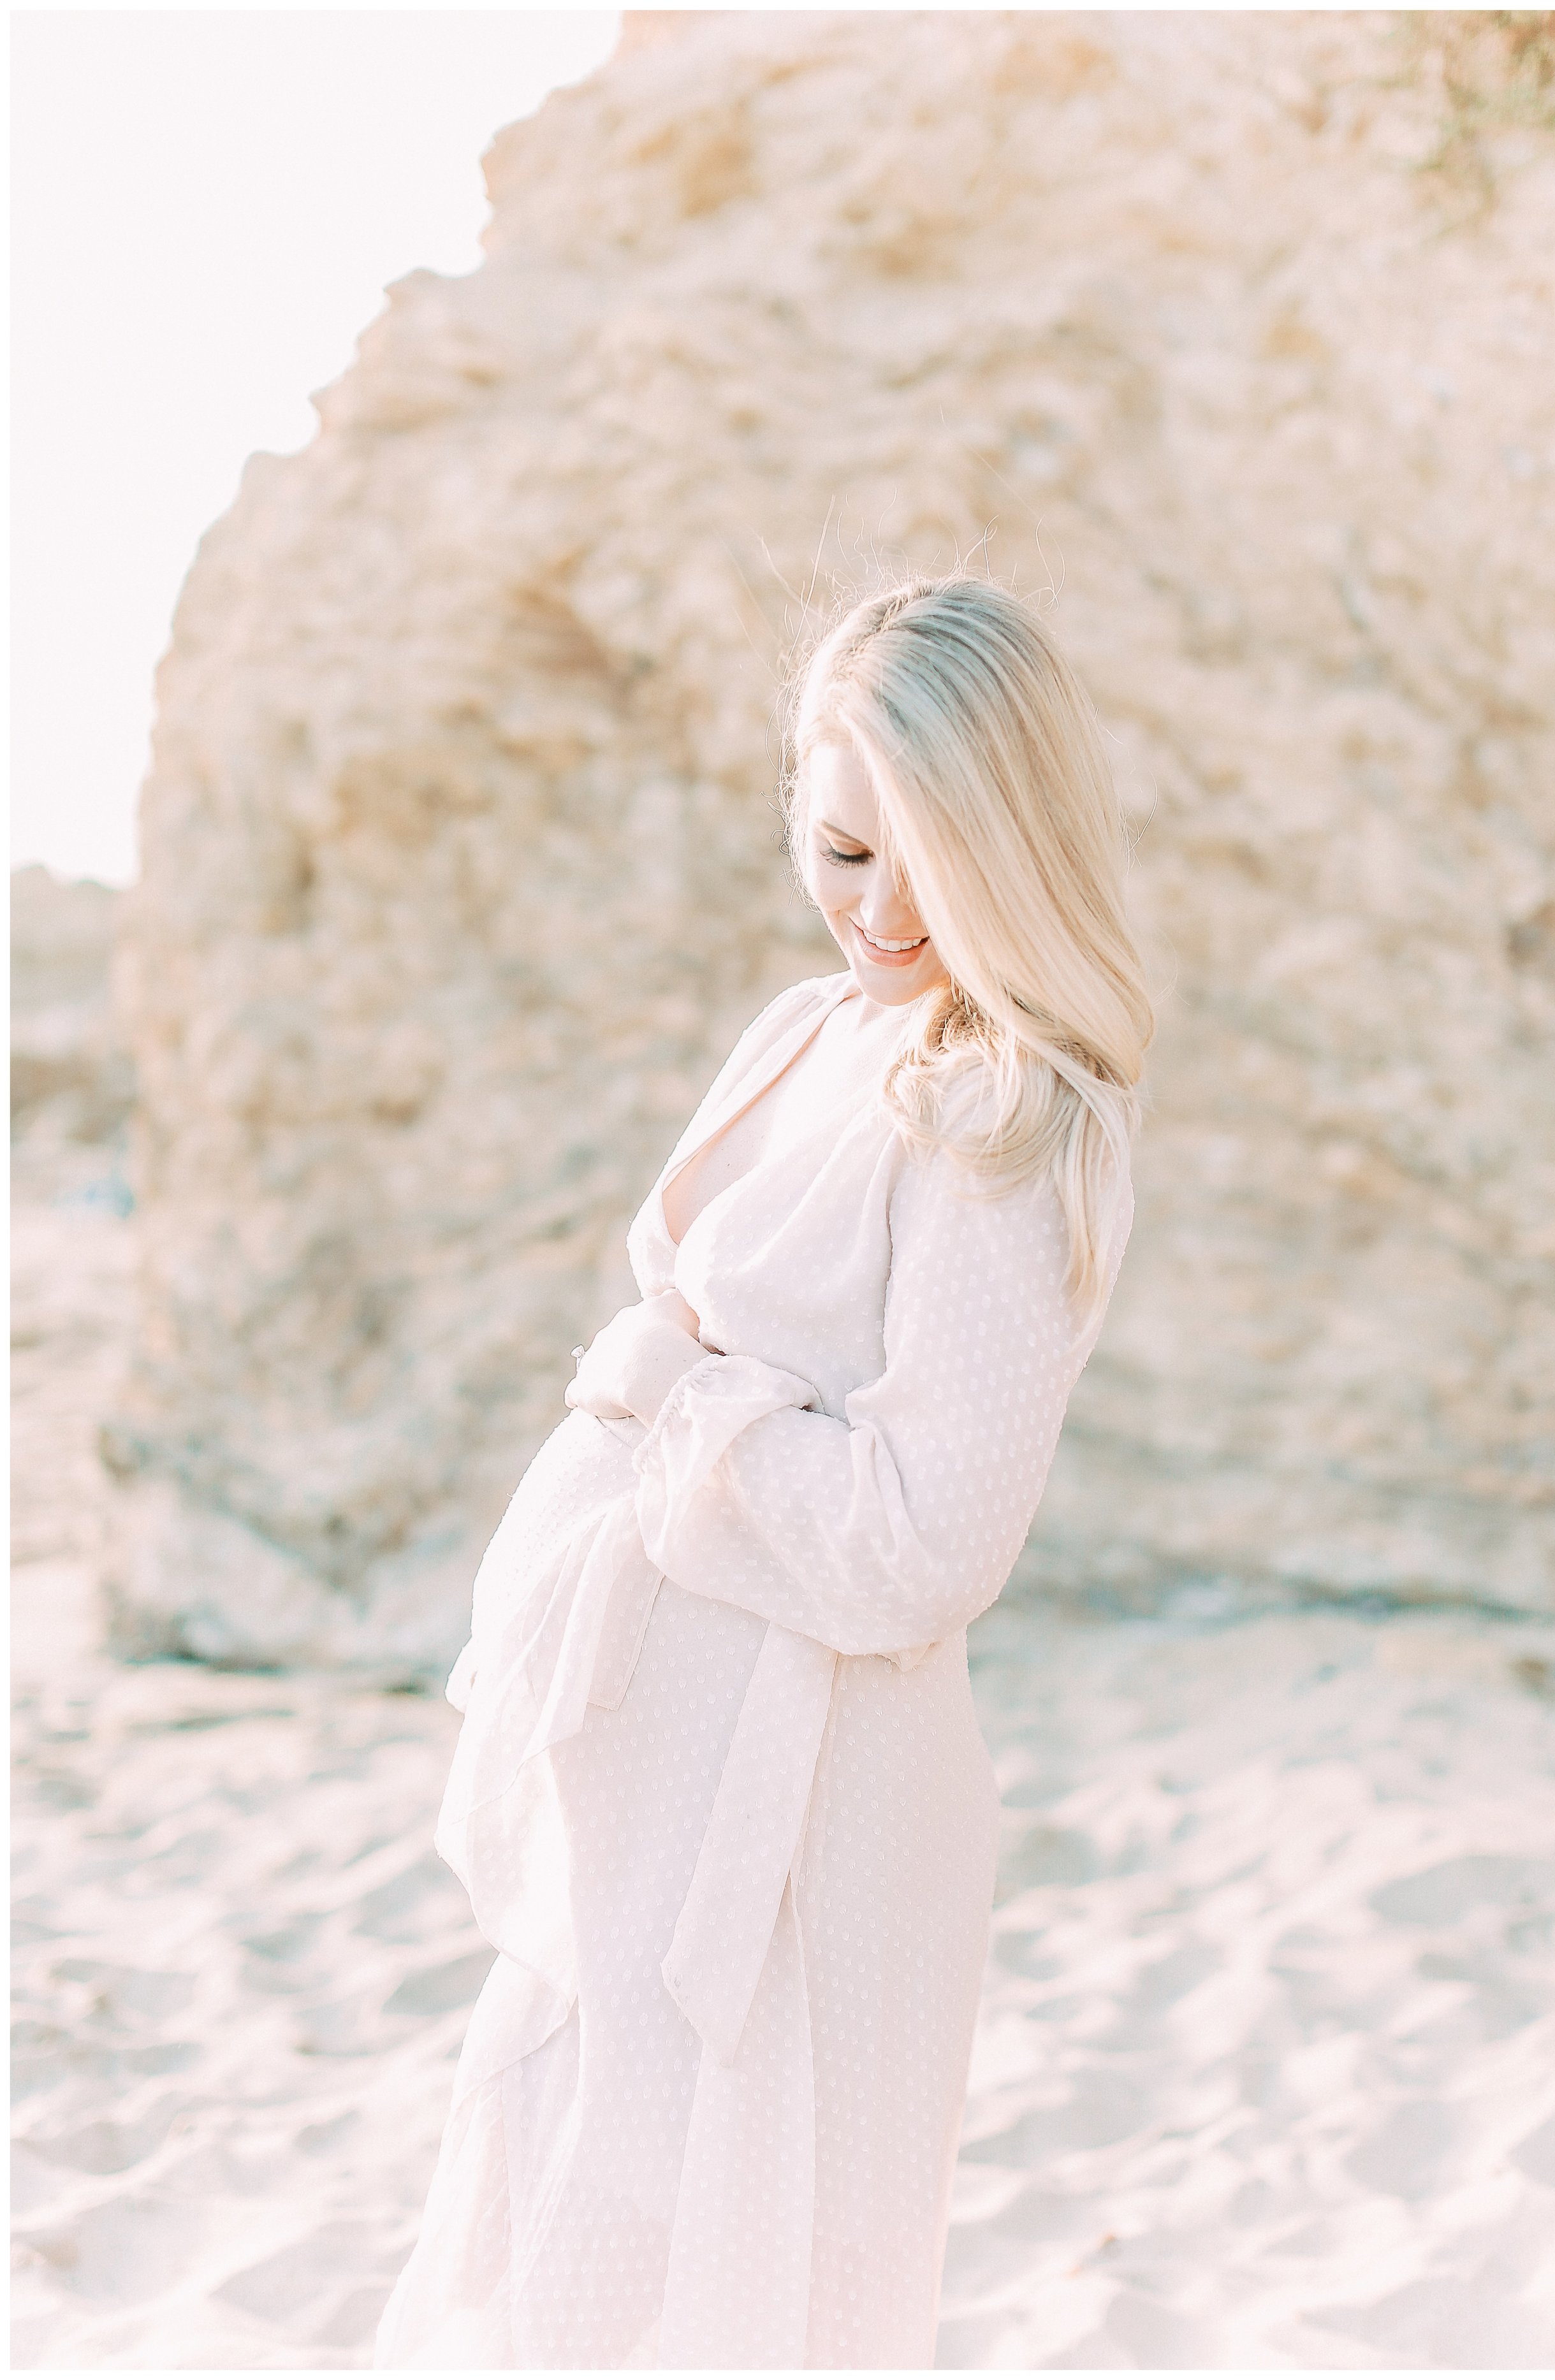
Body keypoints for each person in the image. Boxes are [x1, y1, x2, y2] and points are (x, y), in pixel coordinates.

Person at [374, 574, 1154, 2371]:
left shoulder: (1002, 1118)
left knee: (756, 2282)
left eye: (926, 862)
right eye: (838, 849)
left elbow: (920, 1545)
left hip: (803, 1814)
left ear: (1012, 844)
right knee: (571, 2230)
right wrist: (672, 1400)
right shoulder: (802, 1031)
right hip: (649, 1779)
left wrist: (677, 1408)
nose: (878, 912)